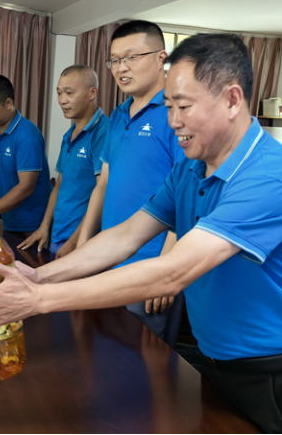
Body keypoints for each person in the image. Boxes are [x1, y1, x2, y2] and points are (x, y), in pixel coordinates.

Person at [0, 34, 282, 434]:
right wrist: (39, 276)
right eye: (169, 106)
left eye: (183, 106)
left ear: (232, 100)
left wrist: (38, 300)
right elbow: (126, 235)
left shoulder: (270, 176)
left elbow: (174, 271)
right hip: (216, 359)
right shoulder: (190, 169)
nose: (173, 121)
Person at [78, 20, 187, 347]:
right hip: (109, 258)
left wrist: (165, 270)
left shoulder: (177, 114)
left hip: (150, 266)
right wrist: (84, 248)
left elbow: (186, 197)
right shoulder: (118, 116)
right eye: (114, 60)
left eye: (132, 57)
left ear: (160, 58)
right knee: (105, 354)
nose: (121, 68)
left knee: (145, 365)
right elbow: (103, 185)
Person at [18, 65, 109, 258]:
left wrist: (75, 242)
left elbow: (103, 191)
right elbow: (59, 186)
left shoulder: (104, 132)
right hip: (57, 236)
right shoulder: (69, 134)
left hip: (82, 242)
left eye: (69, 93)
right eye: (59, 93)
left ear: (92, 93)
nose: (62, 100)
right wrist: (44, 227)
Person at [0, 75, 52, 234]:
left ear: (8, 103)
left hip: (34, 226)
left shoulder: (27, 136)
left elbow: (25, 188)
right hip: (9, 221)